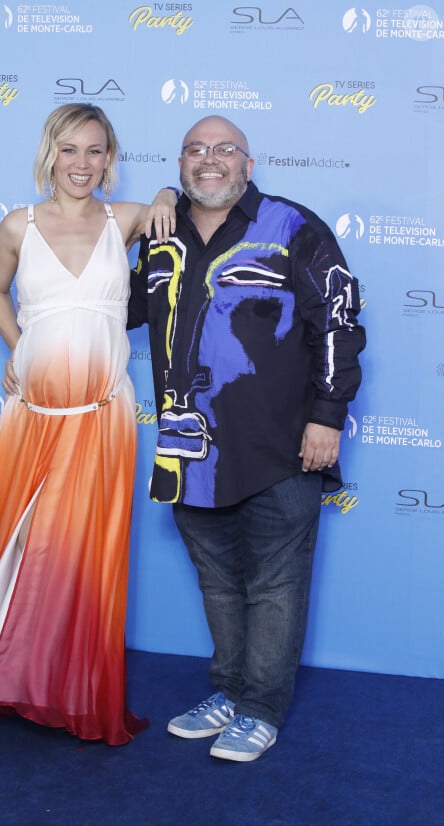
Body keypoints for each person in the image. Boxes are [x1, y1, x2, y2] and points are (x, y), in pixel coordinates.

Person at [129, 115, 365, 762]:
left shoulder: (292, 227)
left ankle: (261, 707)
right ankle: (229, 691)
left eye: (225, 150)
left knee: (274, 585)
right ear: (179, 166)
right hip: (189, 449)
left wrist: (328, 415)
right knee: (217, 582)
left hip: (281, 446)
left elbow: (339, 323)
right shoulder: (159, 236)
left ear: (249, 164)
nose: (211, 160)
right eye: (195, 150)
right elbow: (111, 306)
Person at [0, 103, 176, 746]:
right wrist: (16, 346)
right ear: (49, 153)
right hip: (31, 416)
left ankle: (73, 690)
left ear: (110, 159)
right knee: (21, 550)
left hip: (101, 417)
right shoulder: (18, 225)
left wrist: (164, 189)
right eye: (70, 150)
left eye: (96, 151)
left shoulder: (125, 220)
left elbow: (179, 207)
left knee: (83, 558)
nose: (82, 164)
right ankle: (8, 679)